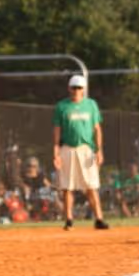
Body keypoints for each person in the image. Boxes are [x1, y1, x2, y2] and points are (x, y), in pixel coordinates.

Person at [52, 75, 109, 230]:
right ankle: (69, 220)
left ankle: (99, 219)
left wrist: (99, 150)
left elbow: (97, 129)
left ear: (84, 89)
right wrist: (56, 152)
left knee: (91, 185)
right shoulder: (62, 106)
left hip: (86, 150)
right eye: (74, 87)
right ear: (69, 88)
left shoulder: (91, 105)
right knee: (67, 186)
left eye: (79, 87)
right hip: (67, 149)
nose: (76, 90)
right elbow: (57, 130)